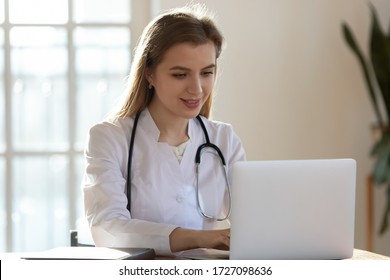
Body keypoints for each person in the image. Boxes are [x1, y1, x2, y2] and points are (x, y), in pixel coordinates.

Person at [82, 4, 246, 256]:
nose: (197, 89)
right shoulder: (110, 138)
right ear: (149, 74)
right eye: (180, 75)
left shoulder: (223, 139)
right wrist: (203, 238)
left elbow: (253, 222)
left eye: (206, 73)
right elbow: (107, 228)